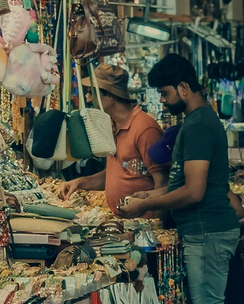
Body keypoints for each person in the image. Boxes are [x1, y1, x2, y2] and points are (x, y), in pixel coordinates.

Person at [116, 54, 239, 304]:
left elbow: (195, 191)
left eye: (165, 92)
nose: (163, 99)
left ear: (184, 87)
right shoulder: (199, 122)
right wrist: (151, 194)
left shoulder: (198, 125)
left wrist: (146, 204)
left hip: (207, 231)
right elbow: (187, 184)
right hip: (206, 229)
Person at [58, 64, 168, 215]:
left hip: (142, 227)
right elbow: (114, 174)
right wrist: (79, 183)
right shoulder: (112, 126)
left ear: (109, 95)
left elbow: (162, 183)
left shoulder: (145, 129)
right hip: (122, 223)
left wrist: (155, 228)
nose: (88, 99)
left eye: (92, 93)